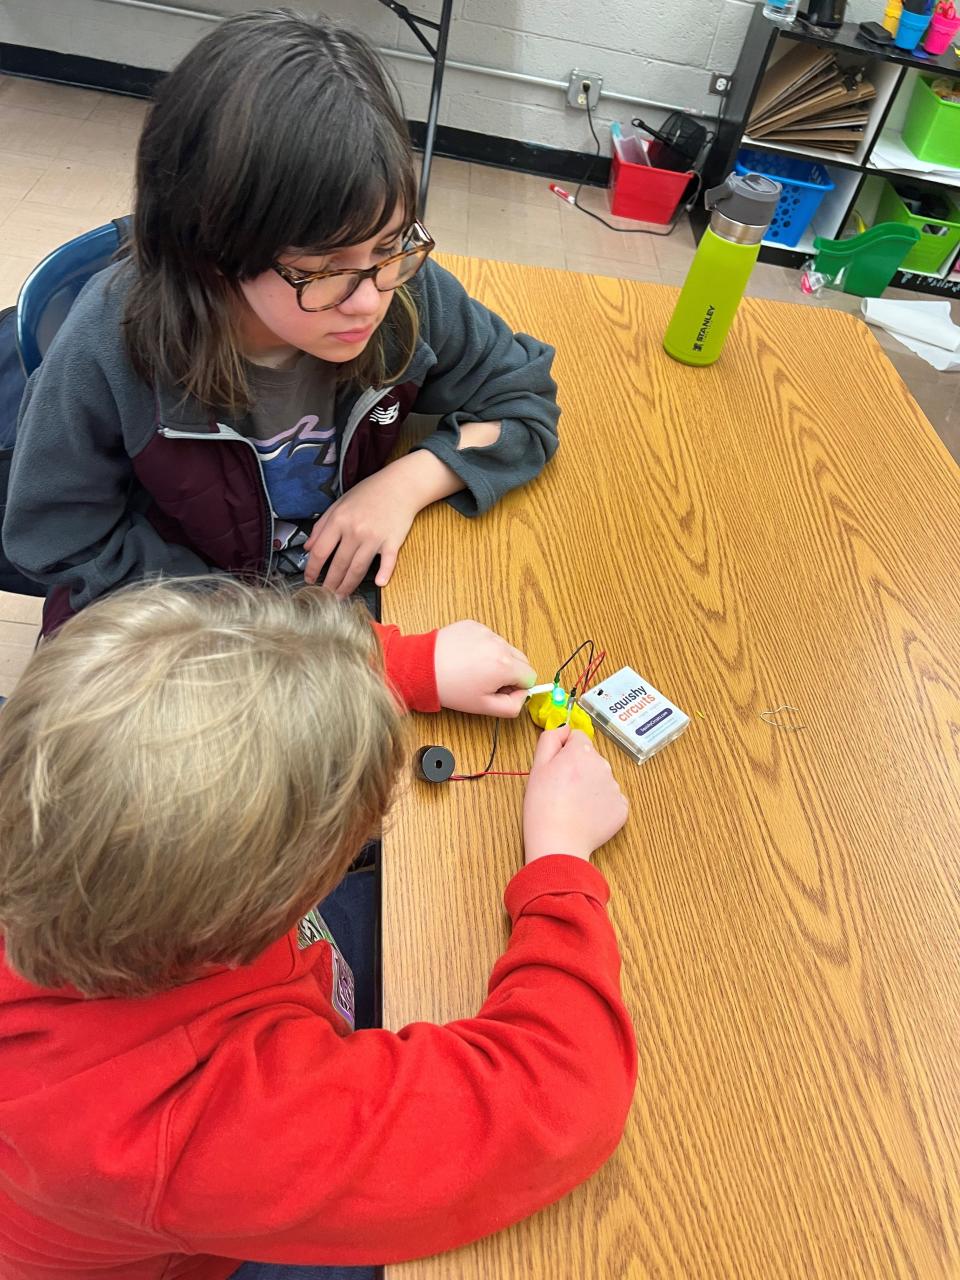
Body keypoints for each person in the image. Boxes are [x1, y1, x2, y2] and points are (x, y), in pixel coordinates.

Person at [0, 577, 635, 1280]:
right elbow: (562, 1099)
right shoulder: (185, 1124)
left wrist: (403, 667)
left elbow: (204, 678)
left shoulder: (66, 812)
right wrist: (559, 858)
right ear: (257, 907)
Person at [2, 8, 560, 636]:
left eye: (388, 247)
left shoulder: (404, 292)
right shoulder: (112, 343)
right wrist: (291, 643)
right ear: (210, 252)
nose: (369, 300)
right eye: (324, 270)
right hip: (176, 623)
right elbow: (59, 540)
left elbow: (521, 397)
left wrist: (405, 483)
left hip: (334, 605)